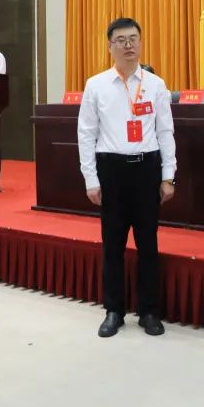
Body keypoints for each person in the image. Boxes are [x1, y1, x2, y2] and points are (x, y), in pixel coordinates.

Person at [78, 18, 177, 338]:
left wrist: (169, 176)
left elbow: (166, 132)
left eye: (133, 38)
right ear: (110, 46)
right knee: (113, 245)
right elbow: (86, 134)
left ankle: (149, 311)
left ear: (140, 42)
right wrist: (91, 179)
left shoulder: (156, 85)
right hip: (112, 171)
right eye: (121, 40)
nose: (128, 45)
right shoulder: (96, 85)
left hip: (147, 170)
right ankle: (114, 310)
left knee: (148, 244)